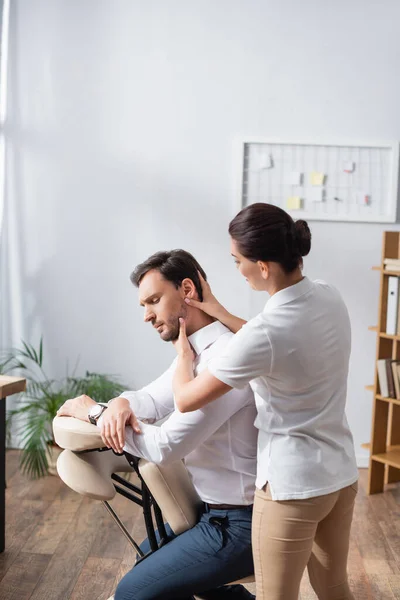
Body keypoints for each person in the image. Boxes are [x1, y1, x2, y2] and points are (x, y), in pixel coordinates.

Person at [172, 203, 359, 600]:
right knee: (335, 589)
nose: (236, 268)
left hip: (291, 489)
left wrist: (183, 355)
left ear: (262, 266)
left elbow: (187, 399)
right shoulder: (328, 296)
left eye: (237, 260)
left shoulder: (265, 333)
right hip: (340, 477)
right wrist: (219, 311)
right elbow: (276, 344)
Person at [57, 249, 257, 600]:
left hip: (241, 526)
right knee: (148, 558)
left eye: (154, 300)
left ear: (187, 290)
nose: (147, 316)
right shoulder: (194, 351)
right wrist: (119, 404)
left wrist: (92, 411)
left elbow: (166, 446)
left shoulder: (225, 358)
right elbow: (149, 399)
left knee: (133, 592)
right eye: (143, 306)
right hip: (214, 513)